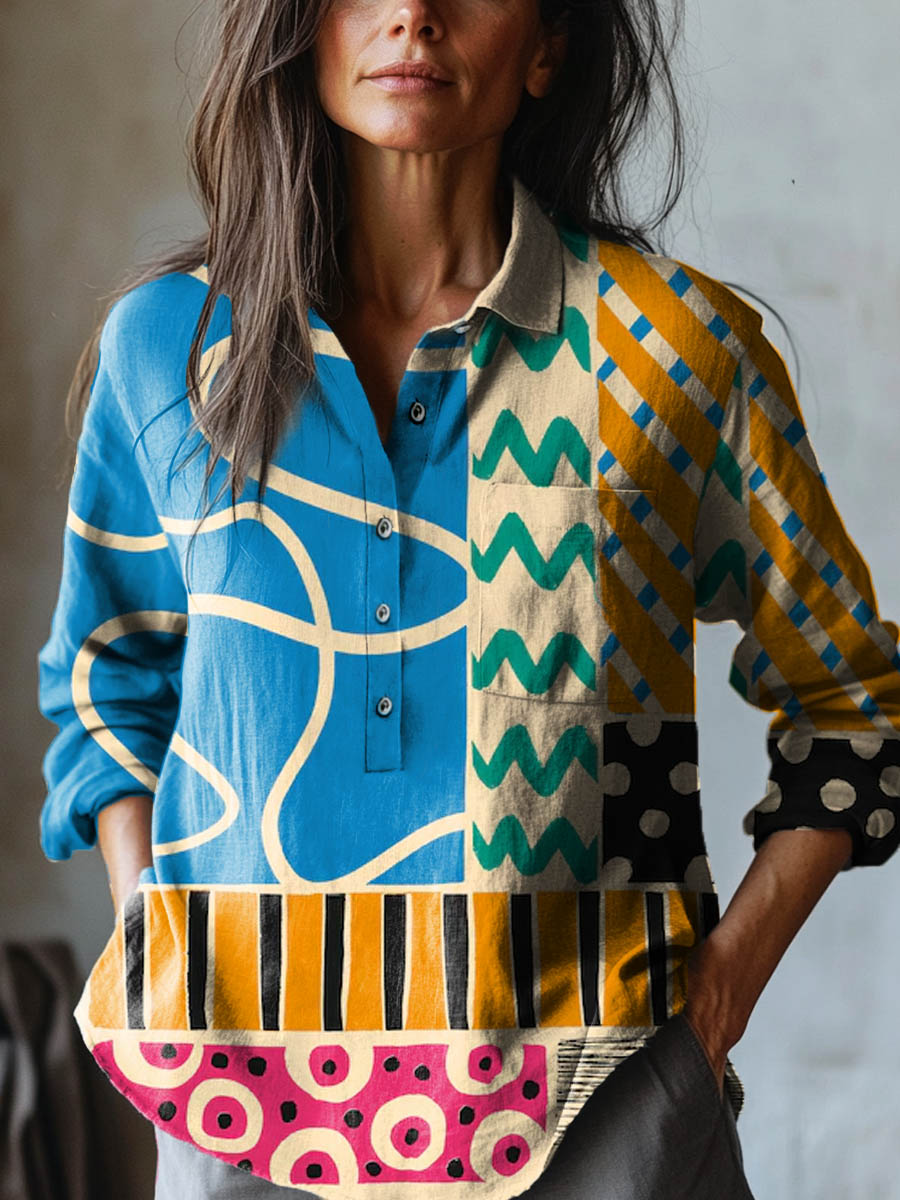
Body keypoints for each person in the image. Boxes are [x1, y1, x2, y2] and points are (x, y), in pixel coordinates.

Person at [35, 0, 900, 1196]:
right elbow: (106, 687)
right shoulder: (169, 352)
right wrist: (157, 947)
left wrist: (714, 1006)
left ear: (548, 47)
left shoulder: (674, 351)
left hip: (607, 1109)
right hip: (234, 1109)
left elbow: (857, 705)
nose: (413, 15)